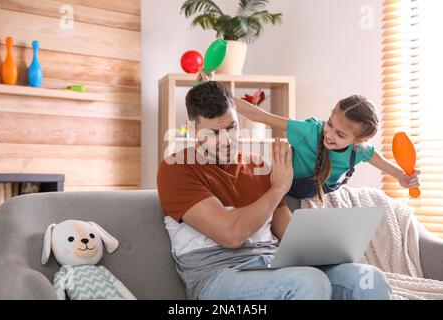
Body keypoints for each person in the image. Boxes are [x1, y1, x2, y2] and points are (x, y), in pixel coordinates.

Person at [157, 80, 392, 300]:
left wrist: (332, 246)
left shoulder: (257, 165)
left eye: (232, 127)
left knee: (369, 280)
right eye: (214, 133)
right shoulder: (176, 169)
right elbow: (231, 234)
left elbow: (286, 231)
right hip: (217, 276)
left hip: (272, 265)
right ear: (192, 128)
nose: (227, 140)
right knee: (309, 282)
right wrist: (279, 188)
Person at [235, 95, 421, 201]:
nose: (330, 134)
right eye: (330, 124)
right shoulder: (309, 131)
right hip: (282, 194)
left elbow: (387, 167)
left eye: (340, 135)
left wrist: (403, 179)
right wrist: (219, 91)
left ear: (358, 140)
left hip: (313, 199)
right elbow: (260, 116)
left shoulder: (360, 151)